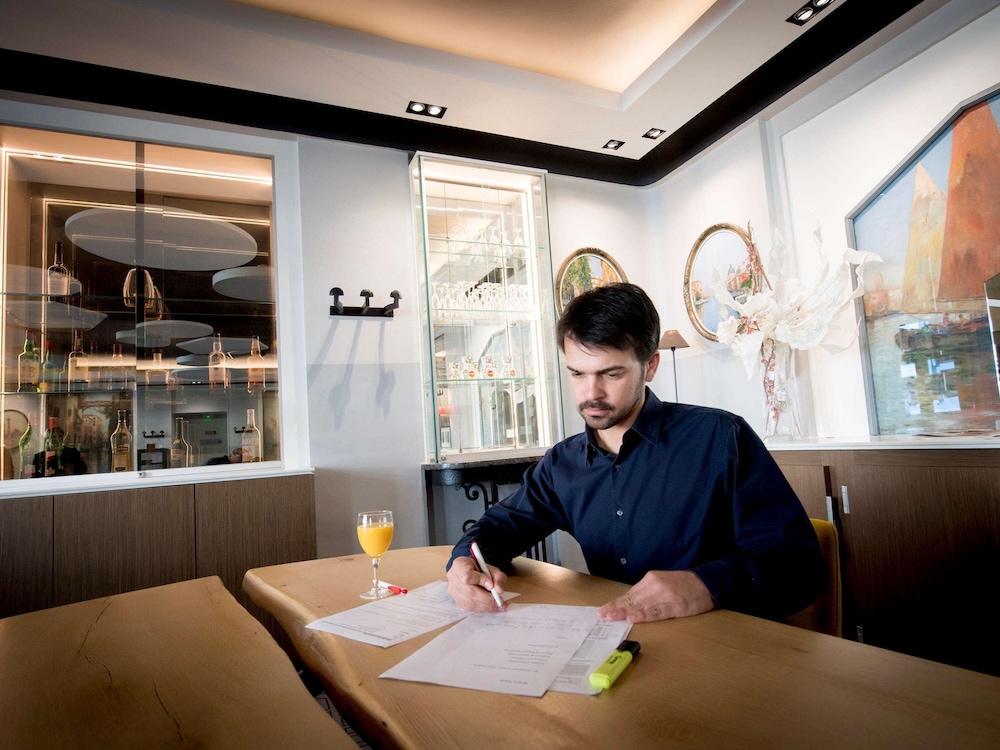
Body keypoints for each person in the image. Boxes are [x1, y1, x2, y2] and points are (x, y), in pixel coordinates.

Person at [447, 282, 825, 623]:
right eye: (577, 374)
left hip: (723, 649)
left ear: (650, 366)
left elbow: (801, 568)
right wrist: (464, 563)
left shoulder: (721, 439)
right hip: (616, 643)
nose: (591, 393)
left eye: (611, 374)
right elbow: (496, 529)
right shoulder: (562, 464)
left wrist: (705, 584)